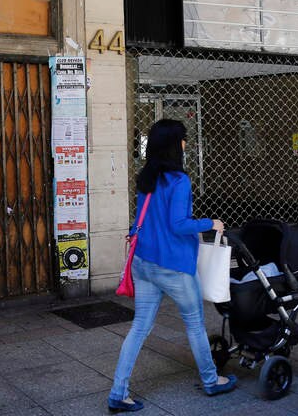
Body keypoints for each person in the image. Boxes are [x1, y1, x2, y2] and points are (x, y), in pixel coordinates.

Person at [107, 119, 236, 413]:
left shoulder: (146, 179)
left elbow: (142, 219)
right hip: (174, 266)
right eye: (183, 139)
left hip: (144, 262)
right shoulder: (179, 181)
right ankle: (211, 379)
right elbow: (179, 225)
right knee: (194, 323)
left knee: (139, 328)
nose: (186, 144)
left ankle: (118, 392)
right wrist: (211, 223)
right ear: (174, 144)